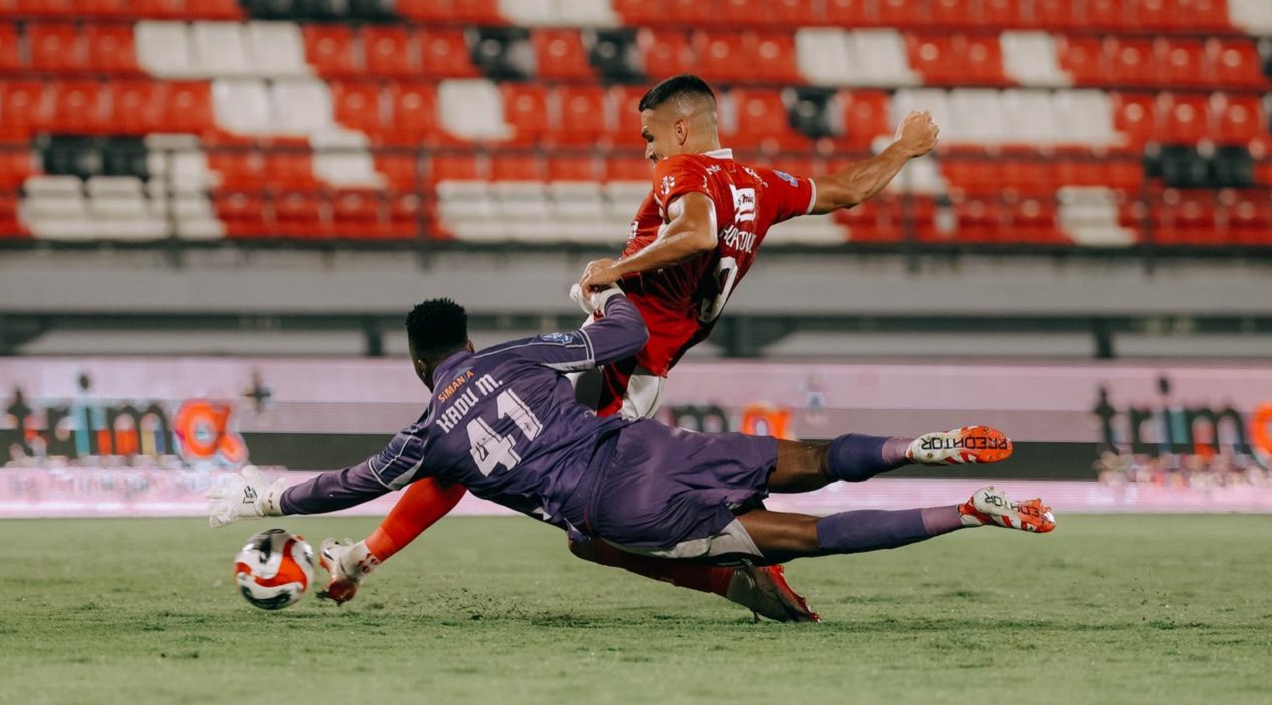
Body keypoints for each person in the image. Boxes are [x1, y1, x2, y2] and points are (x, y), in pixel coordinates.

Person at [295, 74, 945, 620]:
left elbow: (693, 234)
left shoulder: (682, 172)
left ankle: (738, 574)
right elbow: (848, 190)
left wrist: (616, 271)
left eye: (650, 137)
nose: (648, 153)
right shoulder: (760, 184)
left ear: (682, 130)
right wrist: (900, 150)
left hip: (627, 359)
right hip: (641, 357)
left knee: (548, 498)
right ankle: (748, 555)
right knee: (498, 455)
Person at [208, 289, 1055, 619]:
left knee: (803, 536)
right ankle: (920, 444)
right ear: (465, 339)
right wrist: (603, 294)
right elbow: (619, 336)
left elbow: (354, 483)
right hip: (647, 445)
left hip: (618, 510)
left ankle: (968, 511)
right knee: (812, 456)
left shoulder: (429, 435)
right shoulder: (513, 357)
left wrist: (267, 500)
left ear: (419, 363)